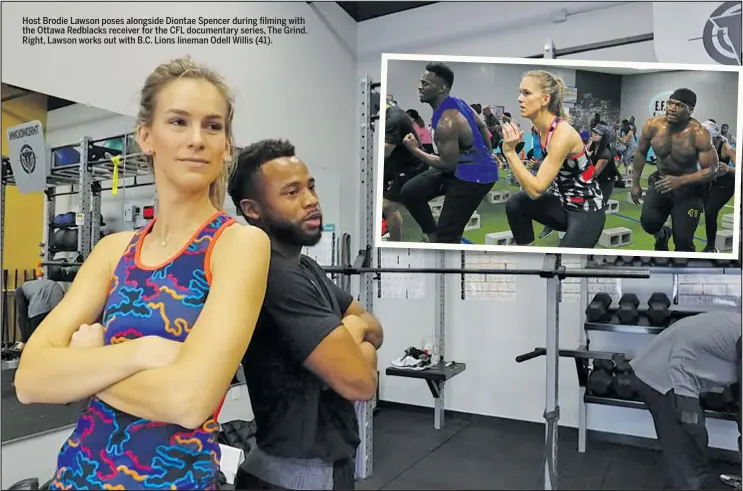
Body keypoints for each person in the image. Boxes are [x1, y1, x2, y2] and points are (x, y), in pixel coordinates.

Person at [14, 57, 271, 490]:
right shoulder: (113, 251)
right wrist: (141, 352)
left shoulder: (238, 244)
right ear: (146, 136)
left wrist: (82, 368)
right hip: (75, 475)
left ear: (227, 145)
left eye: (212, 126)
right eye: (178, 121)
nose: (197, 139)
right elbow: (29, 380)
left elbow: (188, 402)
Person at [226, 139, 383, 490]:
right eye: (291, 192)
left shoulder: (306, 267)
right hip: (297, 475)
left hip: (317, 465)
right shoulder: (274, 273)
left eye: (310, 187)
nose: (311, 200)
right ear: (253, 209)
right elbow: (360, 382)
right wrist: (354, 337)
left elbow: (374, 328)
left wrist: (352, 331)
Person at [629, 309, 742, 490]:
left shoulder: (735, 324)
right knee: (689, 444)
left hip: (666, 374)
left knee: (685, 449)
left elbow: (736, 393)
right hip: (665, 380)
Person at [502, 70, 606, 248]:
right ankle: (528, 256)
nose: (519, 98)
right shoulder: (539, 128)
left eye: (527, 93)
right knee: (516, 203)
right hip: (563, 204)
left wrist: (510, 153)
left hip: (586, 211)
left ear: (545, 99)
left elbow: (536, 190)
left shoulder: (562, 133)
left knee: (558, 268)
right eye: (520, 92)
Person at [399, 62, 499, 244]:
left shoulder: (448, 122)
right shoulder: (458, 103)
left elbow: (446, 164)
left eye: (426, 84)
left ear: (442, 88)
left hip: (474, 178)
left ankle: (444, 241)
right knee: (410, 192)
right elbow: (482, 127)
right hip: (460, 167)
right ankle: (433, 235)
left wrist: (415, 150)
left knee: (448, 237)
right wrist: (488, 152)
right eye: (421, 82)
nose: (420, 88)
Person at [630, 88, 718, 252]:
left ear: (690, 110)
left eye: (679, 105)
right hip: (661, 182)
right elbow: (640, 152)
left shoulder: (699, 133)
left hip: (689, 190)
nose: (671, 108)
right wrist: (635, 183)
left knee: (683, 241)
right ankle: (663, 236)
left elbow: (712, 169)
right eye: (670, 103)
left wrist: (681, 180)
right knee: (648, 223)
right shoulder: (652, 125)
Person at [381, 100, 427, 242]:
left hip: (411, 167)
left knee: (388, 206)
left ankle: (394, 243)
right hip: (397, 164)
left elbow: (385, 152)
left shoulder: (393, 119)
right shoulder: (389, 112)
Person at [701, 120, 737, 253]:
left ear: (714, 137)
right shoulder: (701, 145)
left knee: (711, 211)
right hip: (708, 180)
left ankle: (711, 247)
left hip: (725, 183)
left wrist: (729, 169)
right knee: (705, 211)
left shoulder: (727, 148)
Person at [11, 276, 64, 352]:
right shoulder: (39, 284)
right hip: (58, 293)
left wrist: (23, 339)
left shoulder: (19, 290)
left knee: (34, 333)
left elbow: (22, 315)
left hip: (40, 306)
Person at [589, 124, 620, 205]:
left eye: (598, 133)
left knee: (600, 204)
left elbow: (594, 174)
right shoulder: (591, 146)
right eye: (594, 132)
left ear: (604, 137)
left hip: (606, 182)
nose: (594, 134)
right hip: (596, 180)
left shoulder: (605, 154)